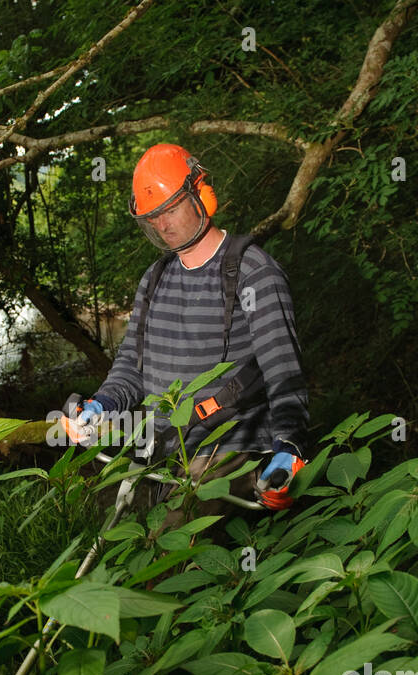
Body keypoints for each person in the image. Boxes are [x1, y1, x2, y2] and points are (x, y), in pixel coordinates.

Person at [64, 142, 311, 535]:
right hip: (163, 441)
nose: (163, 225)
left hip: (229, 445)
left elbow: (283, 373)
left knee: (174, 542)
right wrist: (102, 403)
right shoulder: (155, 278)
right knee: (113, 532)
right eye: (153, 218)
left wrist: (289, 446)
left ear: (201, 194)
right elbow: (131, 365)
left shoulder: (253, 273)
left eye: (170, 210)